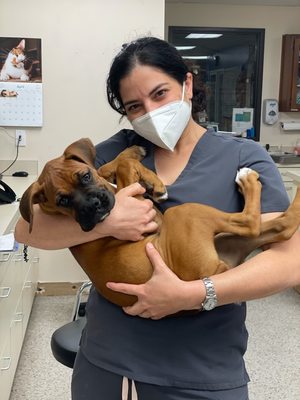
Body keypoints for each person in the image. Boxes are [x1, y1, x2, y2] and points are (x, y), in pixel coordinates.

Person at [15, 37, 300, 400]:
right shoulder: (113, 152)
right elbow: (27, 229)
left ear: (188, 84)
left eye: (160, 94)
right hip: (108, 363)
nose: (149, 111)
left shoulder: (244, 156)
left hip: (203, 371)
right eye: (135, 105)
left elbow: (290, 263)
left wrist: (193, 294)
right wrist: (111, 221)